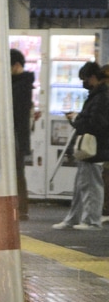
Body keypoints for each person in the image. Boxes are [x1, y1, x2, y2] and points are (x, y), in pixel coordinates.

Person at [54, 61, 109, 230]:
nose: (83, 83)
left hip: (94, 149)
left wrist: (77, 119)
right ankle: (73, 218)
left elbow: (95, 123)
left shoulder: (100, 97)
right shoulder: (97, 95)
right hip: (92, 148)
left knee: (91, 185)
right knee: (80, 185)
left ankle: (92, 220)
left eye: (84, 79)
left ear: (93, 77)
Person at [10, 49, 35, 220]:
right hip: (18, 137)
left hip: (17, 137)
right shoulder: (22, 83)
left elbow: (15, 111)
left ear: (17, 65)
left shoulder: (21, 85)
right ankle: (20, 208)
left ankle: (21, 209)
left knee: (17, 173)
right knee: (17, 173)